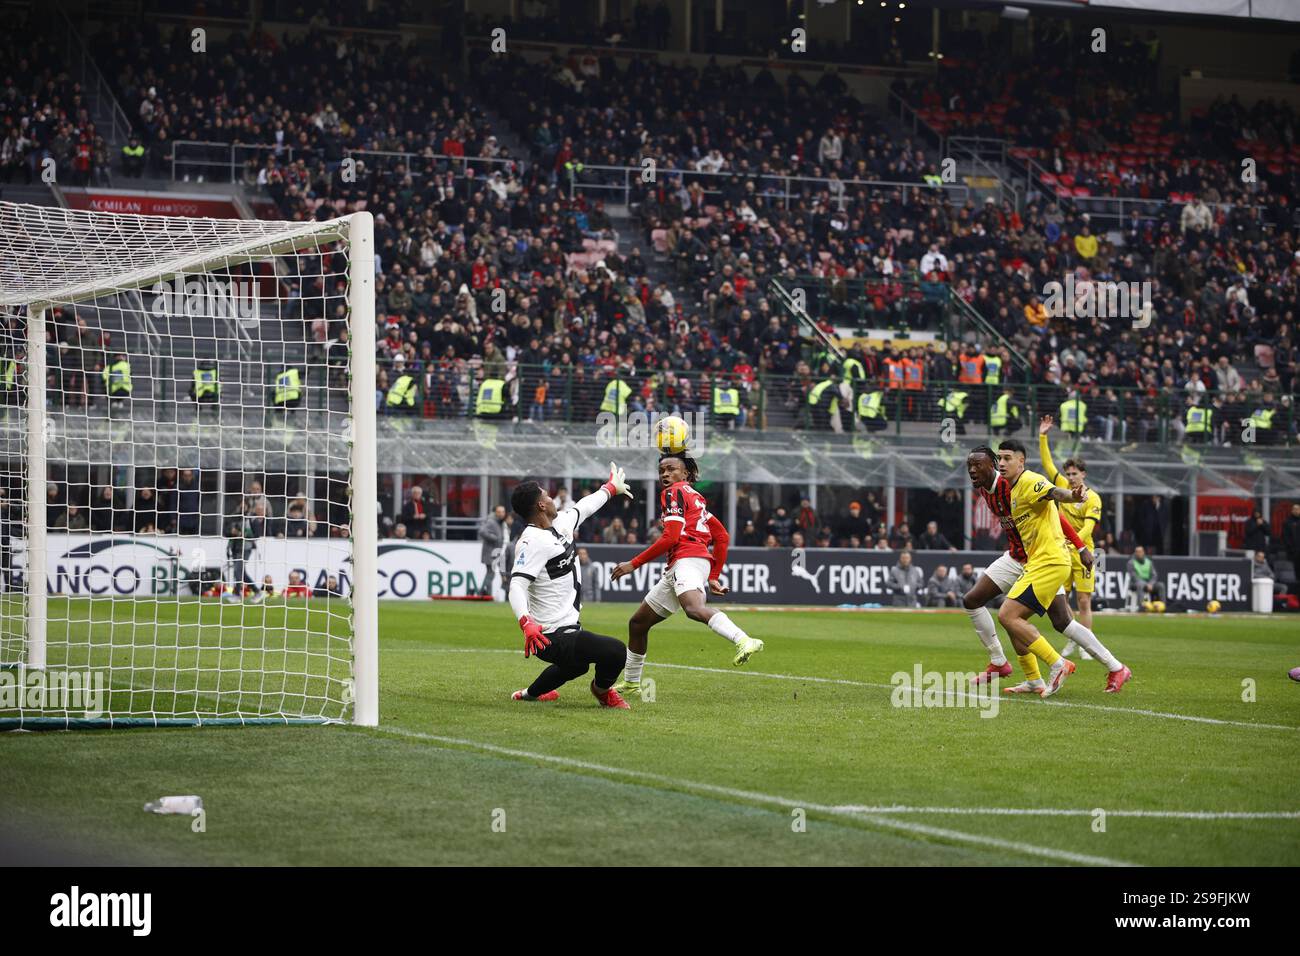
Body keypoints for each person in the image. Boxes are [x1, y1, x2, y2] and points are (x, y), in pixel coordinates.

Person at [962, 445, 1130, 694]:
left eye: (978, 466)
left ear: (993, 465)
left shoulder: (1012, 484)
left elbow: (1055, 508)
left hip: (1040, 560)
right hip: (1019, 557)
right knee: (975, 600)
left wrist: (1081, 545)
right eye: (970, 467)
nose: (973, 471)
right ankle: (1007, 666)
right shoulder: (985, 491)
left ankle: (1090, 666)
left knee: (1034, 619)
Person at [609, 452, 762, 699]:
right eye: (662, 471)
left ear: (686, 474)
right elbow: (721, 537)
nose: (666, 475)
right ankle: (631, 682)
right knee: (638, 624)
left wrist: (634, 564)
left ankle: (744, 640)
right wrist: (713, 576)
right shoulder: (697, 499)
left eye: (672, 469)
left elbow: (670, 536)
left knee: (693, 608)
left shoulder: (673, 493)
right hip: (686, 562)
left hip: (687, 559)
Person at [507, 465, 633, 708]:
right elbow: (517, 585)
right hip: (548, 635)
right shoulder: (531, 541)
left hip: (568, 628)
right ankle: (602, 691)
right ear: (541, 505)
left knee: (576, 666)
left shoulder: (561, 523)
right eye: (546, 495)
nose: (552, 498)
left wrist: (610, 488)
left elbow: (584, 507)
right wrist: (525, 622)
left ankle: (530, 694)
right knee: (616, 651)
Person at [1039, 415, 1105, 660]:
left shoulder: (1093, 498)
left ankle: (1087, 645)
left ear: (1084, 475)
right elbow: (1048, 465)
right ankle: (1072, 639)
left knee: (1084, 600)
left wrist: (1075, 542)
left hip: (1084, 554)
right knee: (1062, 599)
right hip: (1062, 552)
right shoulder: (1064, 488)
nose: (1070, 477)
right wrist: (1043, 436)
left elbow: (1089, 529)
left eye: (1075, 474)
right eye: (1068, 473)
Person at [477, 504, 509, 597]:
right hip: (490, 552)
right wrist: (494, 538)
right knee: (491, 573)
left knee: (490, 573)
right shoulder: (491, 521)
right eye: (499, 512)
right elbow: (481, 531)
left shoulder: (500, 522)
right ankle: (481, 592)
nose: (501, 514)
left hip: (495, 552)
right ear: (495, 513)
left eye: (503, 512)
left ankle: (488, 595)